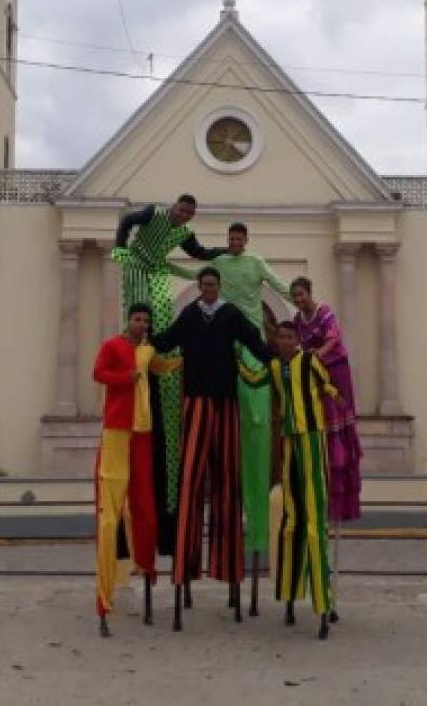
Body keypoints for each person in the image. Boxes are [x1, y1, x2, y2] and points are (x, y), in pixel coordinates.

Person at [150, 266, 272, 631]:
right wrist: (139, 341)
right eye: (203, 284)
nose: (207, 289)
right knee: (190, 485)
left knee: (227, 488)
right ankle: (184, 573)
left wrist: (279, 356)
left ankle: (228, 570)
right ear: (199, 287)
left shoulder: (231, 314)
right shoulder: (189, 315)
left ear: (218, 287)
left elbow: (254, 341)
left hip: (225, 406)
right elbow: (167, 340)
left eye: (212, 284)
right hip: (195, 405)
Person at [112, 194, 226, 555]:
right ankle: (138, 335)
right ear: (174, 206)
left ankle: (160, 343)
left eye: (189, 212)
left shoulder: (185, 232)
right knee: (140, 303)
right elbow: (128, 222)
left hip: (158, 268)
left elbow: (200, 254)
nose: (183, 215)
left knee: (161, 302)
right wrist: (121, 249)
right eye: (181, 209)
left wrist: (225, 253)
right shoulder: (153, 213)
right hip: (135, 263)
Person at [210, 221, 291, 614]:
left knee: (259, 422)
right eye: (231, 239)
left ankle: (257, 527)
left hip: (254, 346)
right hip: (229, 344)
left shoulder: (256, 262)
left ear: (247, 241)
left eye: (240, 239)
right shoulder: (220, 263)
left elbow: (281, 285)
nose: (235, 243)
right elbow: (195, 273)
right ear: (228, 241)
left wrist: (309, 306)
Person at [242, 321, 337, 640]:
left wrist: (341, 419)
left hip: (311, 438)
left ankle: (324, 601)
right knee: (291, 520)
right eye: (280, 336)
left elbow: (332, 389)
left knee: (314, 519)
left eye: (289, 336)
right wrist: (235, 359)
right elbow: (254, 380)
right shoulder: (272, 366)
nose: (284, 341)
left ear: (297, 340)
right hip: (288, 442)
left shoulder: (310, 361)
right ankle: (291, 595)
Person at [91, 303, 180, 637]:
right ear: (128, 319)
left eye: (145, 320)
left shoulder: (147, 350)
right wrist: (124, 378)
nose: (142, 324)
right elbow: (98, 373)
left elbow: (162, 366)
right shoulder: (112, 346)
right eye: (137, 319)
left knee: (146, 510)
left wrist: (192, 355)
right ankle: (103, 601)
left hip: (143, 433)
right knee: (110, 515)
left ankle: (147, 566)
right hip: (116, 430)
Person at [290, 277, 363, 523]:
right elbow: (294, 343)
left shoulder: (324, 313)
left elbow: (332, 339)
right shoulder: (297, 321)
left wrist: (316, 355)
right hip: (316, 376)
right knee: (321, 421)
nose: (299, 300)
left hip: (336, 372)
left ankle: (343, 492)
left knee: (337, 423)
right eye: (295, 296)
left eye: (301, 294)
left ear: (309, 293)